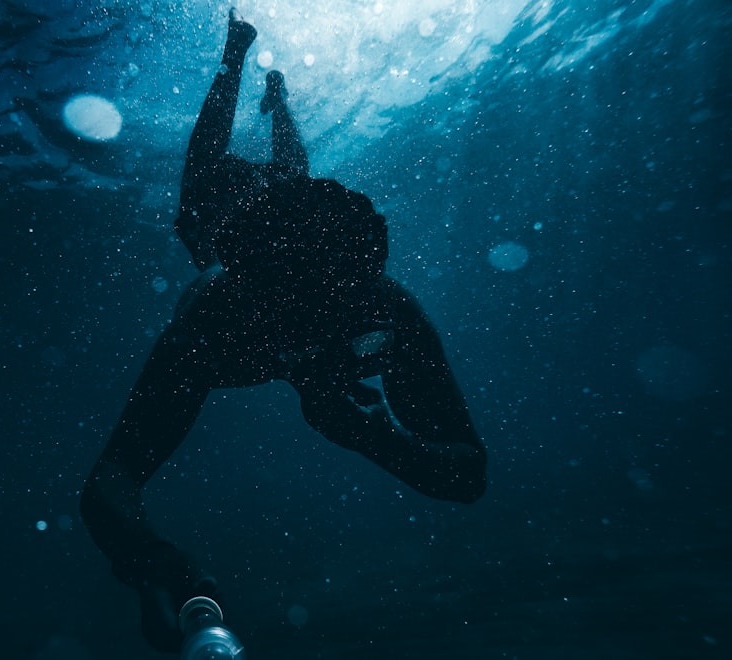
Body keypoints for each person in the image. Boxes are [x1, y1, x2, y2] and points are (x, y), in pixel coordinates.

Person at [80, 8, 487, 653]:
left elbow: (466, 477)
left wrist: (367, 433)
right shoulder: (234, 313)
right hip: (236, 266)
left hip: (243, 262)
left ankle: (257, 78)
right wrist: (371, 434)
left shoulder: (358, 304)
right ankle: (257, 79)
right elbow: (464, 474)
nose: (301, 314)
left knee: (255, 179)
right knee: (238, 184)